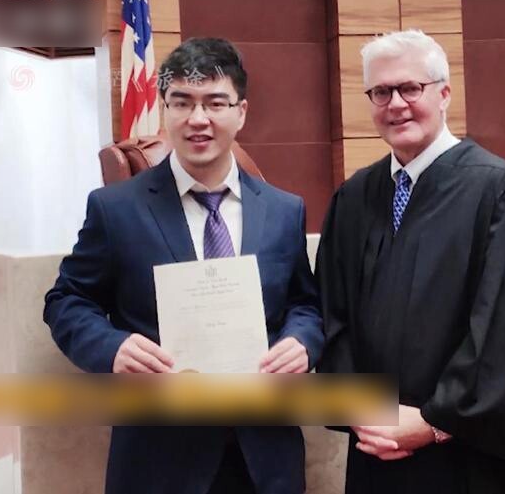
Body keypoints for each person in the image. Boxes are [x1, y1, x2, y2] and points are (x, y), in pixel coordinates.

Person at [44, 37, 323, 494]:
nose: (198, 118)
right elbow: (66, 301)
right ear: (164, 109)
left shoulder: (283, 210)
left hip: (263, 459)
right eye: (182, 102)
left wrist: (301, 342)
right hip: (158, 460)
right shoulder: (116, 209)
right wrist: (112, 347)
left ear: (241, 112)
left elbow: (304, 304)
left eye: (215, 103)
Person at [315, 29, 505, 494]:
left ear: (444, 94)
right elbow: (332, 316)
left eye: (410, 88)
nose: (396, 104)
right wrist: (364, 410)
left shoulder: (504, 190)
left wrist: (435, 422)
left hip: (473, 458)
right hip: (378, 453)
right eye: (381, 92)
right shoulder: (354, 198)